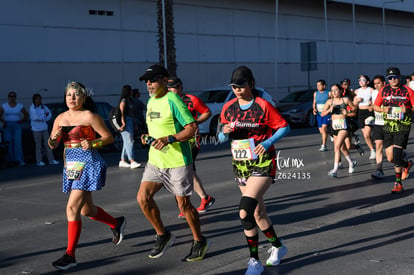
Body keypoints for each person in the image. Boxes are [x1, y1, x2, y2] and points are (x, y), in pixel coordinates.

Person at [218, 66, 290, 274]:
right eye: (234, 87)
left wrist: (267, 143)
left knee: (244, 211)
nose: (237, 90)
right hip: (241, 165)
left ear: (251, 84)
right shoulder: (228, 107)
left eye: (241, 86)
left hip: (263, 162)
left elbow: (284, 126)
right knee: (258, 213)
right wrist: (224, 131)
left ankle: (254, 261)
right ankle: (279, 246)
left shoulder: (263, 105)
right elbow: (222, 138)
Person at [48, 81, 126, 271]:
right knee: (86, 210)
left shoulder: (89, 116)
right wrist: (55, 137)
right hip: (71, 165)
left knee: (72, 208)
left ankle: (70, 255)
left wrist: (93, 144)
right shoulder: (60, 118)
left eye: (76, 95)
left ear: (83, 97)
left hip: (88, 163)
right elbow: (52, 145)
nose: (72, 98)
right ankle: (116, 223)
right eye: (69, 95)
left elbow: (108, 137)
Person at [137, 64, 210, 262]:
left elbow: (192, 128)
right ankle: (163, 235)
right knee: (143, 199)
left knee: (184, 205)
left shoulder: (173, 100)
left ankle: (199, 240)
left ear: (164, 80)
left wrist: (169, 139)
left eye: (152, 80)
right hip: (155, 160)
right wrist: (148, 137)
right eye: (146, 81)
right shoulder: (151, 101)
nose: (149, 84)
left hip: (178, 160)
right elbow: (157, 130)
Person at [167, 77, 216, 218]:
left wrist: (195, 122)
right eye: (168, 89)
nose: (170, 91)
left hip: (191, 140)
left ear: (180, 87)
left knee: (183, 171)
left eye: (173, 88)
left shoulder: (191, 99)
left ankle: (186, 206)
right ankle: (204, 198)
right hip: (175, 139)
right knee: (188, 171)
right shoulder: (167, 101)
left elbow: (207, 112)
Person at [373, 67, 414, 194]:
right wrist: (383, 109)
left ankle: (398, 183)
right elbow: (375, 106)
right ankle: (405, 165)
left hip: (403, 125)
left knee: (396, 153)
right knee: (391, 157)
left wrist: (407, 110)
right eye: (390, 78)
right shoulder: (384, 90)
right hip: (388, 125)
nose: (393, 80)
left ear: (399, 77)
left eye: (395, 77)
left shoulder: (408, 91)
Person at [322, 84, 357, 177]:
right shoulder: (330, 101)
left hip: (344, 127)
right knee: (342, 148)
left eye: (336, 90)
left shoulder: (345, 100)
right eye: (332, 90)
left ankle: (335, 170)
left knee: (336, 147)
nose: (334, 92)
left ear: (341, 91)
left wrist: (348, 112)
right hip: (334, 127)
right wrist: (329, 110)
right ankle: (351, 162)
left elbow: (354, 109)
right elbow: (322, 114)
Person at [29, 93, 59, 166]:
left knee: (48, 144)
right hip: (36, 129)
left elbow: (49, 115)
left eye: (39, 99)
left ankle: (51, 160)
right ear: (34, 100)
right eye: (37, 99)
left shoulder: (44, 107)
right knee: (38, 145)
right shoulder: (32, 108)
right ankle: (39, 161)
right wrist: (44, 116)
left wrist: (44, 117)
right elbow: (35, 118)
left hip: (44, 128)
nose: (38, 100)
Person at [0, 91, 28, 166]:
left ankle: (19, 160)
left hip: (17, 125)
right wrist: (4, 121)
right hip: (7, 125)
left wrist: (21, 120)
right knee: (8, 142)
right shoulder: (4, 106)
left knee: (17, 143)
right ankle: (10, 160)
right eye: (10, 96)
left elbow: (26, 114)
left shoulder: (19, 106)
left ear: (15, 97)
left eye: (13, 96)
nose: (12, 98)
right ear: (8, 98)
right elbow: (0, 115)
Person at [118, 85, 141, 169]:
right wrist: (123, 123)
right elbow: (122, 113)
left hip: (130, 121)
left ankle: (123, 160)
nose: (132, 92)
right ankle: (132, 160)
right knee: (130, 141)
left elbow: (132, 113)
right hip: (126, 121)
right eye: (130, 90)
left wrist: (135, 124)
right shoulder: (123, 101)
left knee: (126, 142)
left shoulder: (130, 100)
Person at [354, 75, 376, 160]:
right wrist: (356, 101)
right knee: (366, 136)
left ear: (367, 82)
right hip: (360, 113)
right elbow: (354, 104)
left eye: (363, 80)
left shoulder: (371, 90)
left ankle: (373, 150)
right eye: (359, 80)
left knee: (367, 134)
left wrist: (371, 103)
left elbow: (376, 100)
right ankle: (372, 149)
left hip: (369, 112)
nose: (360, 81)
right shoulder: (357, 91)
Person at [371, 75, 386, 179]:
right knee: (378, 146)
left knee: (393, 152)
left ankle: (403, 157)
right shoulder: (374, 93)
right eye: (375, 83)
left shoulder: (389, 92)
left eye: (378, 83)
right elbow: (374, 106)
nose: (376, 85)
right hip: (378, 123)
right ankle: (379, 170)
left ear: (384, 83)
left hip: (389, 124)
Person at [312, 79, 331, 152]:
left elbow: (332, 102)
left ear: (324, 86)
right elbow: (314, 102)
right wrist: (314, 109)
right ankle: (330, 132)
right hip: (319, 114)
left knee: (323, 129)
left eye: (319, 85)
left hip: (326, 113)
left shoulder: (328, 93)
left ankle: (323, 145)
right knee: (321, 131)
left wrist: (329, 109)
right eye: (317, 85)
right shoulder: (316, 93)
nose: (318, 87)